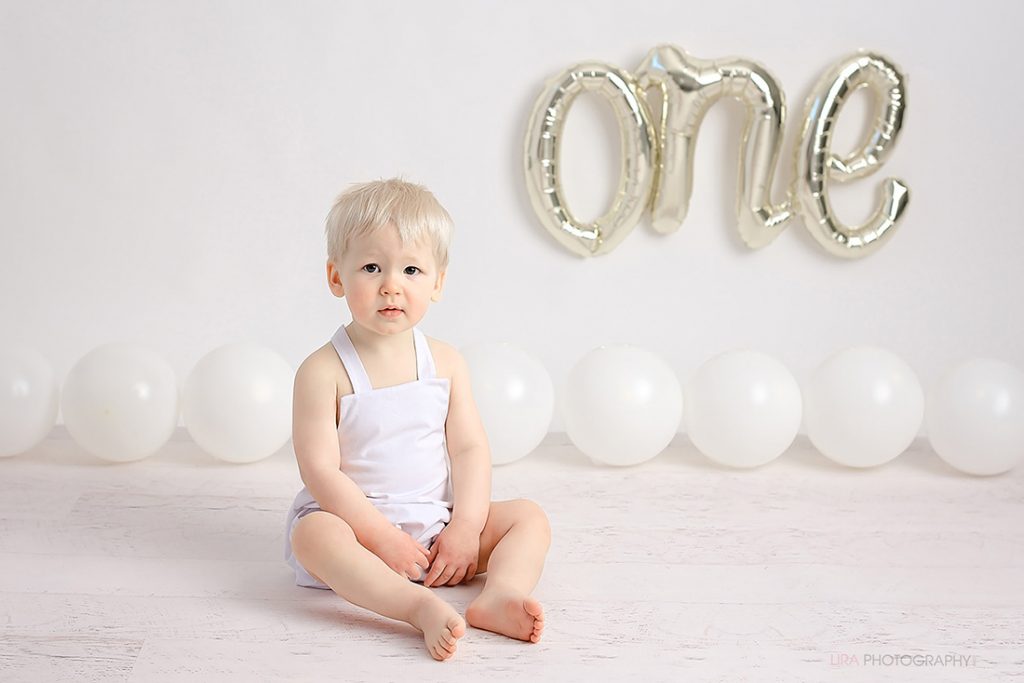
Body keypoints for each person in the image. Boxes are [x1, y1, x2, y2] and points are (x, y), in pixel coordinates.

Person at [284, 178, 551, 661]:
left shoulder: (445, 363)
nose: (392, 284)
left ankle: (499, 594)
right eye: (371, 267)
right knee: (312, 536)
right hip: (356, 528)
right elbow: (319, 471)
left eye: (411, 269)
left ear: (438, 282)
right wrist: (380, 536)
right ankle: (415, 606)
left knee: (528, 518)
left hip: (437, 527)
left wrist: (466, 528)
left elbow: (469, 449)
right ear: (336, 277)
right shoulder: (321, 371)